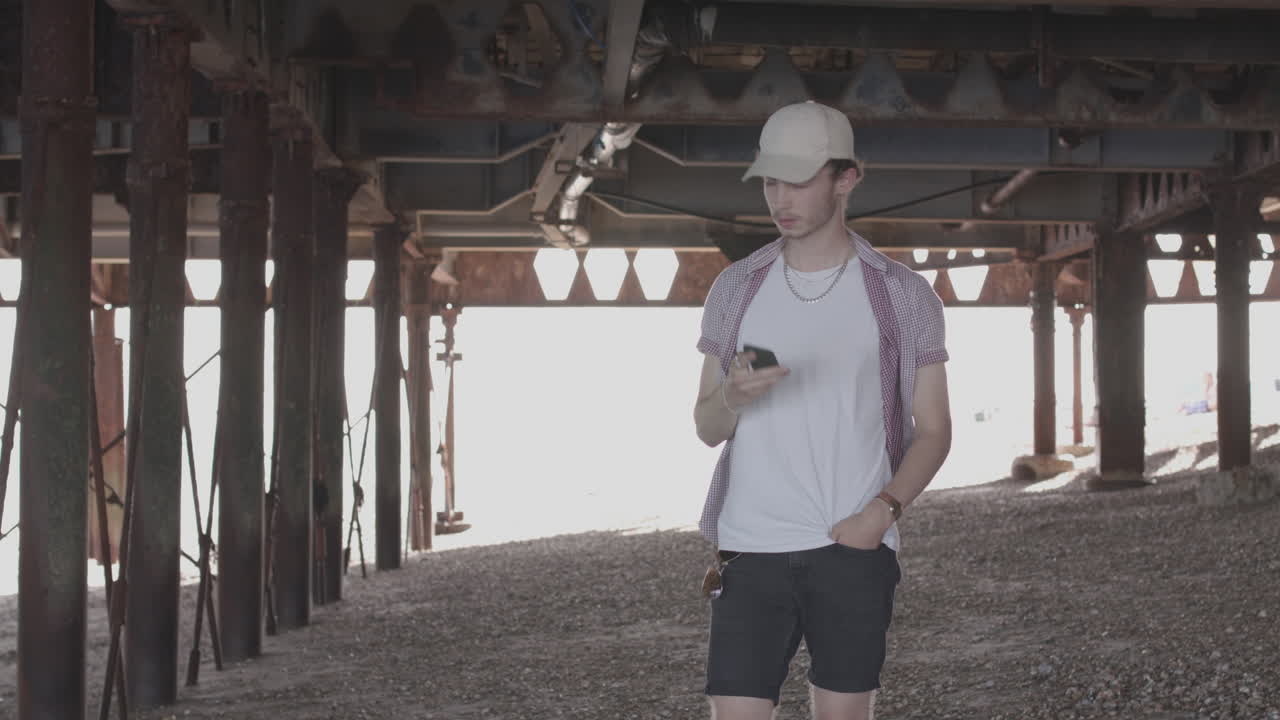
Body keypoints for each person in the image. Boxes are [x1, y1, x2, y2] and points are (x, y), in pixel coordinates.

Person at [691, 100, 953, 720]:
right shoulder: (736, 289)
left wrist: (878, 516)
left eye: (799, 180)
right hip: (749, 550)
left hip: (852, 549)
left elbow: (935, 431)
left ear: (846, 178)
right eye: (770, 181)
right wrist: (732, 396)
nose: (779, 198)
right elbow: (706, 428)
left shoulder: (902, 294)